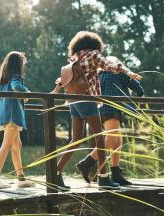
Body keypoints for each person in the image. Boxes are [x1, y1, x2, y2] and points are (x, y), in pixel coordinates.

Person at [51, 31, 142, 189]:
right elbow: (110, 65)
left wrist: (55, 91)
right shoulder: (93, 54)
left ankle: (55, 174)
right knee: (100, 138)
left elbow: (62, 80)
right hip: (87, 100)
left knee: (76, 139)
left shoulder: (74, 58)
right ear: (95, 45)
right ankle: (103, 178)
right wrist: (128, 72)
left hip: (72, 102)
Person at [0, 51, 34, 189]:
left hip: (6, 115)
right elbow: (17, 87)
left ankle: (21, 178)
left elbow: (1, 94)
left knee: (16, 145)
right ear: (18, 65)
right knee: (7, 145)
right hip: (13, 116)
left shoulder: (4, 79)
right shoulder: (15, 77)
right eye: (22, 64)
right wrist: (27, 92)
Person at [97, 56, 144, 185]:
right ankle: (87, 162)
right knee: (112, 140)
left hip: (101, 109)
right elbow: (137, 88)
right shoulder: (120, 74)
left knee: (118, 141)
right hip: (112, 108)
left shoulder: (100, 74)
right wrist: (139, 98)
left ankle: (116, 173)